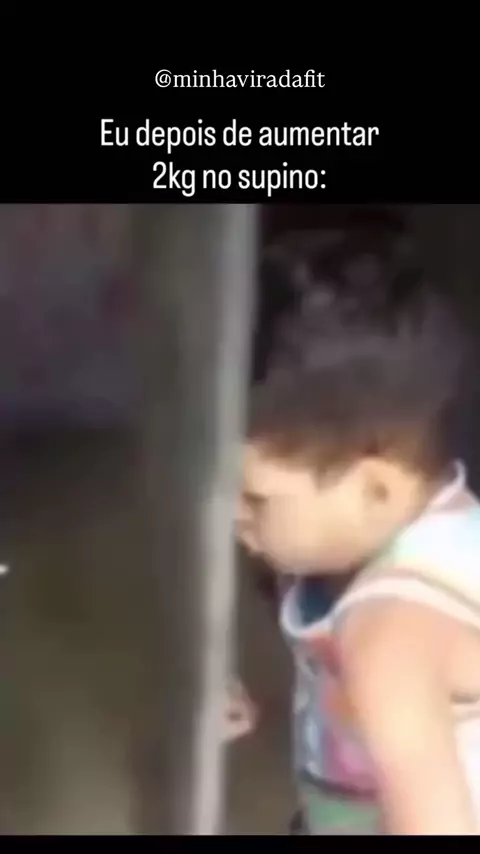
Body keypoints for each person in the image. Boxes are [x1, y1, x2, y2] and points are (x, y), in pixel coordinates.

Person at [234, 235, 480, 835]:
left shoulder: (387, 637)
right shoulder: (442, 516)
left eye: (254, 498)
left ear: (375, 489)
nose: (229, 516)